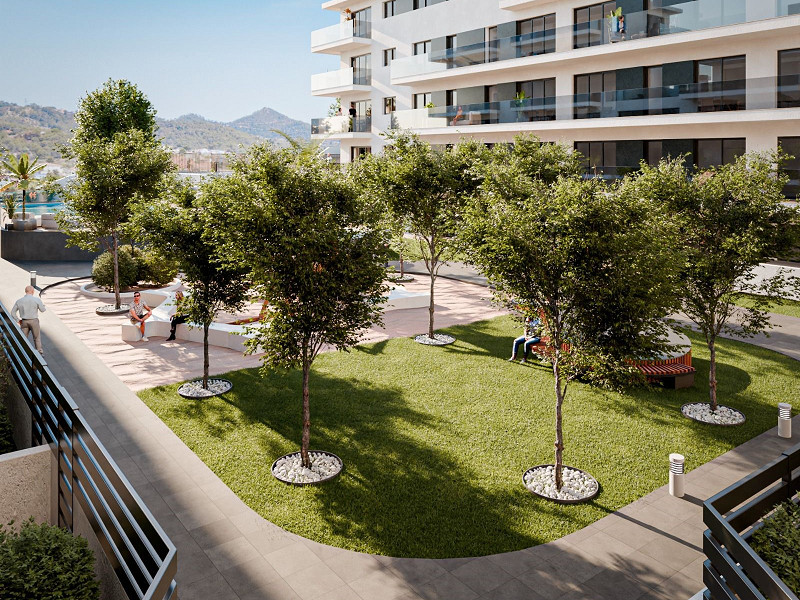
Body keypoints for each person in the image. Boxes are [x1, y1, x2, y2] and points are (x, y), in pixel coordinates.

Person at [11, 285, 46, 355]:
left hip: (24, 321)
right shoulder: (36, 300)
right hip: (34, 321)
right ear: (32, 291)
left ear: (25, 291)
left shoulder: (19, 301)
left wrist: (18, 320)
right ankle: (39, 353)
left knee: (24, 338)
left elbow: (13, 312)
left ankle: (23, 352)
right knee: (36, 337)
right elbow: (43, 310)